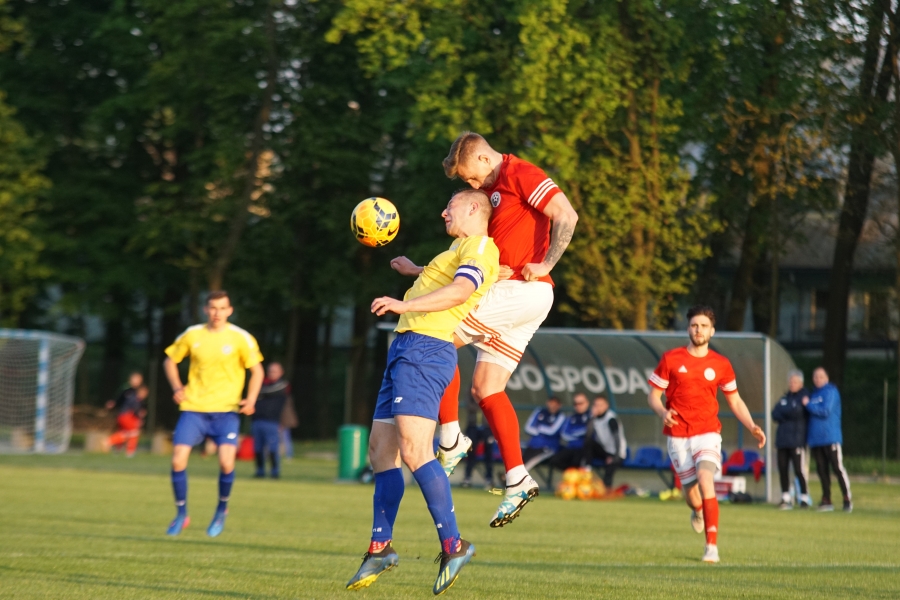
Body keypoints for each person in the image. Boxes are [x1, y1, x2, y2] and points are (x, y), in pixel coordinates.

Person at [392, 131, 579, 527]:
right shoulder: (494, 191)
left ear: (481, 159)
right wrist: (420, 270)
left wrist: (546, 263)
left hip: (522, 291)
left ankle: (451, 439)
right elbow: (473, 272)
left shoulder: (519, 172)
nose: (473, 186)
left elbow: (567, 214)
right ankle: (517, 479)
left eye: (471, 178)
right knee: (486, 388)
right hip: (522, 295)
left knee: (436, 339)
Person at [346, 189, 499, 595]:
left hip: (426, 349)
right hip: (405, 348)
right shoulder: (457, 248)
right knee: (380, 450)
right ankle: (381, 547)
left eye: (449, 205)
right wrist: (416, 270)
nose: (443, 211)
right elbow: (445, 280)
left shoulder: (482, 246)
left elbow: (462, 291)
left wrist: (399, 303)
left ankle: (454, 545)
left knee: (416, 451)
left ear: (472, 208)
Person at [647, 305, 766, 564]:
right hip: (678, 435)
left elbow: (734, 401)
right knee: (691, 494)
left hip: (707, 432)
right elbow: (654, 396)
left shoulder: (721, 364)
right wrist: (661, 412)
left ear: (712, 331)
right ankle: (699, 511)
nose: (698, 330)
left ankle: (711, 546)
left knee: (705, 478)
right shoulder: (671, 359)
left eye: (703, 326)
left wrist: (752, 426)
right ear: (688, 329)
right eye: (694, 325)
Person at [162, 290, 264, 537]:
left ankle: (221, 510)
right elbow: (169, 361)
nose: (217, 313)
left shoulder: (241, 338)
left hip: (226, 411)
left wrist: (250, 399)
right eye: (213, 308)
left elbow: (257, 371)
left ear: (230, 310)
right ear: (206, 310)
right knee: (177, 460)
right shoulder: (192, 334)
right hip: (194, 408)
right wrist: (177, 387)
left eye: (222, 308)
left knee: (227, 463)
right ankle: (181, 514)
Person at [804, 367, 852, 513]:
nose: (817, 379)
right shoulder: (813, 394)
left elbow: (825, 411)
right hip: (816, 439)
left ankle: (847, 498)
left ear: (826, 378)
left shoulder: (831, 391)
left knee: (837, 468)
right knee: (821, 470)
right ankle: (826, 499)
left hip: (830, 437)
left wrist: (808, 405)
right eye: (815, 377)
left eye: (820, 376)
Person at [771, 369, 811, 509]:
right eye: (791, 381)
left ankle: (804, 497)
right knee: (783, 469)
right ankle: (786, 497)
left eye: (795, 381)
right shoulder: (785, 398)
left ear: (801, 383)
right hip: (782, 440)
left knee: (799, 470)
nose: (792, 384)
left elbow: (797, 412)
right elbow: (775, 413)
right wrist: (789, 413)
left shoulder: (804, 397)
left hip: (797, 440)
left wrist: (787, 413)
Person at [253, 362, 290, 479]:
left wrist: (256, 392)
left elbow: (263, 391)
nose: (272, 374)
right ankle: (260, 471)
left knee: (273, 448)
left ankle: (275, 472)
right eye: (270, 371)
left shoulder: (283, 385)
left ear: (281, 372)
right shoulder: (262, 383)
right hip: (257, 420)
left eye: (274, 371)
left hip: (272, 422)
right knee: (258, 448)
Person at [583, 396, 627, 488]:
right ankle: (586, 469)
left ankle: (607, 490)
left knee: (609, 471)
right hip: (605, 451)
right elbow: (588, 436)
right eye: (596, 405)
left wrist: (614, 457)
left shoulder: (611, 419)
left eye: (601, 405)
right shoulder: (594, 418)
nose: (598, 408)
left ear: (606, 406)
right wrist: (592, 418)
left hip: (617, 452)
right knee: (588, 444)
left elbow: (617, 438)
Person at [104, 382, 148, 457]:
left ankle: (116, 447)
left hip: (121, 416)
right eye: (145, 392)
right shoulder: (136, 398)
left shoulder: (132, 397)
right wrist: (140, 416)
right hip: (127, 417)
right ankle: (130, 451)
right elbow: (136, 409)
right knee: (134, 432)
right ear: (142, 391)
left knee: (124, 433)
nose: (146, 394)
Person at [550, 393, 592, 471]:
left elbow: (589, 431)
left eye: (581, 403)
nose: (578, 406)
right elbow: (564, 434)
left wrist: (574, 433)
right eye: (575, 404)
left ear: (587, 403)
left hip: (584, 449)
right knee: (555, 460)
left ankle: (575, 476)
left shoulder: (592, 416)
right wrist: (578, 435)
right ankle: (571, 474)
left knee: (577, 462)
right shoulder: (571, 417)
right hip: (571, 447)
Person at [522, 397, 566, 470]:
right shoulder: (539, 411)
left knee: (531, 461)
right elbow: (527, 428)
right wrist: (539, 431)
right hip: (532, 446)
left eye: (555, 404)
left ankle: (517, 478)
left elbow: (552, 431)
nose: (552, 406)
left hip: (548, 449)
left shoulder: (561, 416)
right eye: (551, 404)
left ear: (559, 405)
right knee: (520, 461)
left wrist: (539, 428)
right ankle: (508, 477)